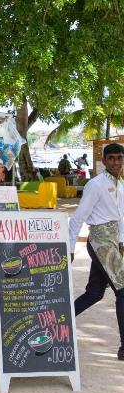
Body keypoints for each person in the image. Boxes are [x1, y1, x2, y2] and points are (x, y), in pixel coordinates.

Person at [69, 142, 124, 360]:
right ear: (104, 161)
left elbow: (121, 217)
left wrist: (121, 242)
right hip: (100, 241)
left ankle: (59, 321)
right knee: (123, 290)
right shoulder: (96, 184)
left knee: (95, 293)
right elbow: (78, 217)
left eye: (119, 158)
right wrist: (69, 247)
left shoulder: (120, 184)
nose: (116, 162)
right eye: (111, 158)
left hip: (112, 242)